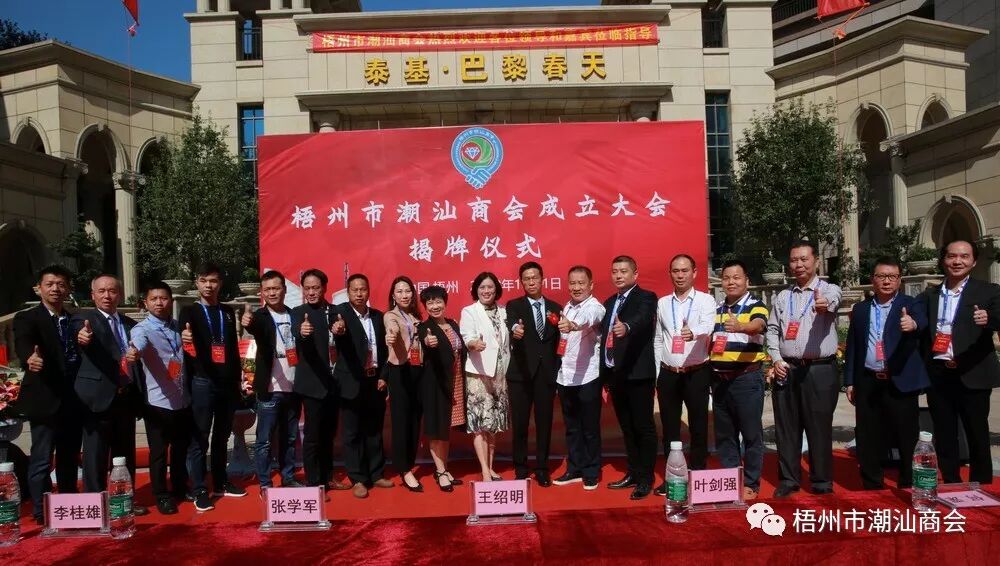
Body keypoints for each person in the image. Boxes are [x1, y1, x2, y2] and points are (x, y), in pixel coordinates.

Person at [844, 257, 929, 489]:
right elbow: (853, 347)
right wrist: (850, 381)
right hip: (868, 380)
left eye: (892, 276)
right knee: (868, 435)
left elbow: (921, 321)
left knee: (906, 435)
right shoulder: (861, 309)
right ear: (873, 280)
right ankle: (872, 484)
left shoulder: (911, 303)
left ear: (899, 280)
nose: (887, 281)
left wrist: (912, 324)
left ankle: (908, 483)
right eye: (881, 276)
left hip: (899, 380)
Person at [919, 240, 1000, 484]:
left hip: (972, 373)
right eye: (952, 256)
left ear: (974, 261)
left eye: (964, 256)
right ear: (943, 260)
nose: (957, 261)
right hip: (939, 375)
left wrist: (989, 318)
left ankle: (981, 484)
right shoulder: (930, 295)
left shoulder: (988, 291)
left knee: (977, 433)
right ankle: (951, 482)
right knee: (944, 434)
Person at [767, 241, 843, 497]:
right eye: (793, 260)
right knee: (787, 428)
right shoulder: (783, 297)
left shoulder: (829, 289)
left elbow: (833, 300)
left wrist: (824, 304)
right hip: (787, 369)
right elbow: (773, 330)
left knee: (819, 427)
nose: (798, 265)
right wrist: (776, 358)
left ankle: (821, 482)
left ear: (816, 261)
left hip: (819, 370)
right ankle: (789, 479)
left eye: (804, 259)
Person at [13, 265, 83, 524]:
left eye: (61, 284)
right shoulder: (28, 318)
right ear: (38, 288)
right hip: (45, 399)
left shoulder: (74, 320)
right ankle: (42, 510)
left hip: (73, 400)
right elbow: (23, 341)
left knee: (69, 456)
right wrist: (29, 358)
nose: (55, 289)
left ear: (68, 289)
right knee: (42, 458)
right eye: (50, 284)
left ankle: (67, 505)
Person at [72, 274, 147, 515]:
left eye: (112, 291)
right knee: (95, 456)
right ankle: (96, 505)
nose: (107, 295)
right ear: (93, 295)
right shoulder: (84, 319)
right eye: (101, 291)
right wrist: (82, 337)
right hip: (97, 399)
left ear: (120, 295)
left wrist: (136, 355)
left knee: (125, 455)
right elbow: (79, 335)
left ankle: (124, 501)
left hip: (125, 397)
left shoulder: (130, 324)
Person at [179, 262, 246, 512]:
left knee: (222, 436)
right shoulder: (189, 312)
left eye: (213, 281)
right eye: (204, 280)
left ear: (220, 284)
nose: (209, 286)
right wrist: (184, 337)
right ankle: (199, 488)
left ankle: (220, 482)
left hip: (227, 383)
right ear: (197, 283)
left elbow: (232, 348)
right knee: (200, 437)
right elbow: (183, 340)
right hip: (202, 382)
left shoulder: (227, 312)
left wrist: (238, 379)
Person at [651, 254, 717, 496]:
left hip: (696, 372)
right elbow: (658, 339)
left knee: (699, 426)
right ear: (670, 273)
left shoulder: (706, 300)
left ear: (694, 273)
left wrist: (694, 332)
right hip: (669, 373)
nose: (680, 275)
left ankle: (698, 475)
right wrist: (658, 372)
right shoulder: (662, 303)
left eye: (684, 271)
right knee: (670, 429)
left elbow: (709, 325)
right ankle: (672, 477)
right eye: (675, 271)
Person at [127, 281, 193, 514]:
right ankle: (161, 494)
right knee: (158, 452)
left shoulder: (178, 326)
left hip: (183, 398)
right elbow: (138, 343)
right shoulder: (142, 329)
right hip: (158, 401)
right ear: (146, 303)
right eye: (153, 299)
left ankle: (180, 487)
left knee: (180, 448)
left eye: (163, 298)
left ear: (170, 301)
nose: (159, 303)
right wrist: (134, 351)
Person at [599, 255, 658, 500]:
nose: (618, 275)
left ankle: (646, 478)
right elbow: (604, 338)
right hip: (616, 374)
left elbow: (642, 319)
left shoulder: (646, 297)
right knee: (627, 427)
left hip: (638, 374)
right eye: (615, 271)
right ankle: (633, 473)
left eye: (623, 271)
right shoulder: (609, 302)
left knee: (643, 427)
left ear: (635, 274)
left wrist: (627, 327)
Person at [709, 260, 768, 500]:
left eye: (736, 277)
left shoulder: (756, 305)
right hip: (719, 380)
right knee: (725, 436)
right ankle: (731, 480)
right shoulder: (717, 308)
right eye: (726, 278)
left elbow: (759, 325)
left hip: (746, 379)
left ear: (747, 281)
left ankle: (751, 483)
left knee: (751, 434)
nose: (731, 282)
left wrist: (741, 326)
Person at [242, 270, 303, 491]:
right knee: (264, 441)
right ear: (262, 292)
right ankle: (265, 484)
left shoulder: (295, 315)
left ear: (284, 290)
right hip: (269, 388)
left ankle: (288, 477)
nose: (272, 293)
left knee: (290, 438)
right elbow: (253, 327)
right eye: (267, 289)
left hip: (293, 387)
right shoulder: (259, 317)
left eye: (276, 288)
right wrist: (247, 322)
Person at [332, 273, 392, 498]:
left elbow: (385, 351)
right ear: (348, 292)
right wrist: (337, 327)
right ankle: (357, 478)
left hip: (374, 380)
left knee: (374, 430)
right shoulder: (340, 313)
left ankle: (376, 474)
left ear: (368, 291)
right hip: (351, 382)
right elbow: (335, 325)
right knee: (352, 433)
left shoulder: (377, 316)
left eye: (363, 289)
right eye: (354, 290)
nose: (359, 293)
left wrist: (384, 376)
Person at [505, 261, 563, 486]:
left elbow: (560, 340)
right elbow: (512, 324)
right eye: (526, 279)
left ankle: (542, 468)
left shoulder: (555, 307)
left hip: (546, 374)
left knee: (544, 423)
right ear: (521, 282)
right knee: (520, 424)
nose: (531, 282)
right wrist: (515, 330)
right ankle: (521, 467)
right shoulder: (514, 305)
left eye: (534, 278)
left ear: (542, 279)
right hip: (520, 375)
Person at [291, 269, 348, 491]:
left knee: (328, 434)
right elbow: (297, 331)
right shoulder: (299, 313)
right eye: (307, 288)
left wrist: (341, 330)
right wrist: (303, 331)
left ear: (324, 288)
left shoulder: (336, 312)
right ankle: (314, 484)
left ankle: (327, 477)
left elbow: (343, 337)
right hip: (312, 385)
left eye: (315, 288)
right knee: (313, 436)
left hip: (334, 384)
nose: (311, 292)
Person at [552, 266, 605, 490]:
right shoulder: (567, 307)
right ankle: (574, 468)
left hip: (588, 376)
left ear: (591, 285)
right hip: (566, 376)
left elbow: (588, 319)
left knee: (589, 428)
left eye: (581, 283)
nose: (576, 287)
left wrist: (573, 325)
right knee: (572, 427)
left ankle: (591, 471)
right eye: (572, 283)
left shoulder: (595, 307)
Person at [460, 271, 511, 482]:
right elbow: (467, 337)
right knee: (480, 425)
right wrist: (474, 344)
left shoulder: (504, 311)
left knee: (493, 425)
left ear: (496, 289)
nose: (486, 291)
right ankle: (484, 470)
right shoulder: (469, 311)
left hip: (500, 375)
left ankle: (490, 467)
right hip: (478, 374)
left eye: (490, 287)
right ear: (476, 290)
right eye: (482, 287)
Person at [417, 285, 467, 492]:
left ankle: (444, 468)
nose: (435, 306)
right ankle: (440, 471)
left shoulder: (453, 324)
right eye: (430, 303)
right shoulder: (424, 328)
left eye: (438, 301)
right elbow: (426, 341)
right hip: (435, 384)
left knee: (445, 428)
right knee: (436, 429)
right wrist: (429, 342)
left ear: (445, 303)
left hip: (455, 382)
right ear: (425, 306)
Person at [383, 276, 424, 492]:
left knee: (415, 420)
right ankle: (404, 468)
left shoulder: (416, 316)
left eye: (407, 291)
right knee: (401, 421)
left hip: (418, 371)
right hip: (400, 371)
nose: (404, 295)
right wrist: (391, 336)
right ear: (393, 295)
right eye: (399, 291)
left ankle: (410, 461)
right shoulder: (391, 316)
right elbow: (392, 329)